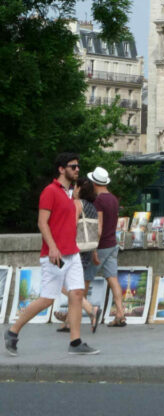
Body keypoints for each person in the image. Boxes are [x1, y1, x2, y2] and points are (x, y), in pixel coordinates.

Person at [5, 152, 99, 356]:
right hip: (55, 254)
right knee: (48, 299)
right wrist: (53, 247)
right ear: (61, 169)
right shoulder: (50, 191)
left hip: (72, 253)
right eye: (73, 166)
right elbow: (42, 222)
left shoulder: (70, 193)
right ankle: (12, 332)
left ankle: (75, 342)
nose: (77, 169)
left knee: (76, 294)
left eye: (78, 167)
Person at [54, 177, 101, 334]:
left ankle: (90, 308)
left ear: (79, 189)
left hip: (74, 249)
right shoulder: (92, 207)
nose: (73, 189)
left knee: (63, 284)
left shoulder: (77, 204)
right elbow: (95, 232)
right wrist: (94, 252)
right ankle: (69, 321)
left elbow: (71, 226)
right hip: (87, 250)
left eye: (75, 187)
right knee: (75, 285)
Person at [86, 166, 127, 327]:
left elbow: (99, 227)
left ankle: (71, 318)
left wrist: (94, 248)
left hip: (102, 245)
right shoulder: (113, 199)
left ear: (94, 182)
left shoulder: (99, 201)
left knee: (85, 279)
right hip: (112, 243)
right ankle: (120, 313)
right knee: (113, 278)